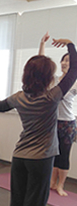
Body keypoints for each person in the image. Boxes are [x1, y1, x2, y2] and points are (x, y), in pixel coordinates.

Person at [0, 38, 77, 206]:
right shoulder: (52, 97)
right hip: (41, 160)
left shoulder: (19, 97)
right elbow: (73, 73)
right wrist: (71, 45)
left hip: (20, 158)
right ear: (47, 77)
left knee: (17, 202)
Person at [39, 32, 77, 196]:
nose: (64, 63)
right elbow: (41, 66)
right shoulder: (54, 80)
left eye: (68, 60)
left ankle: (61, 185)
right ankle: (52, 182)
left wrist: (70, 43)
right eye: (63, 60)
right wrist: (42, 44)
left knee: (64, 154)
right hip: (53, 122)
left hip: (68, 123)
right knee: (53, 153)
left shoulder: (74, 82)